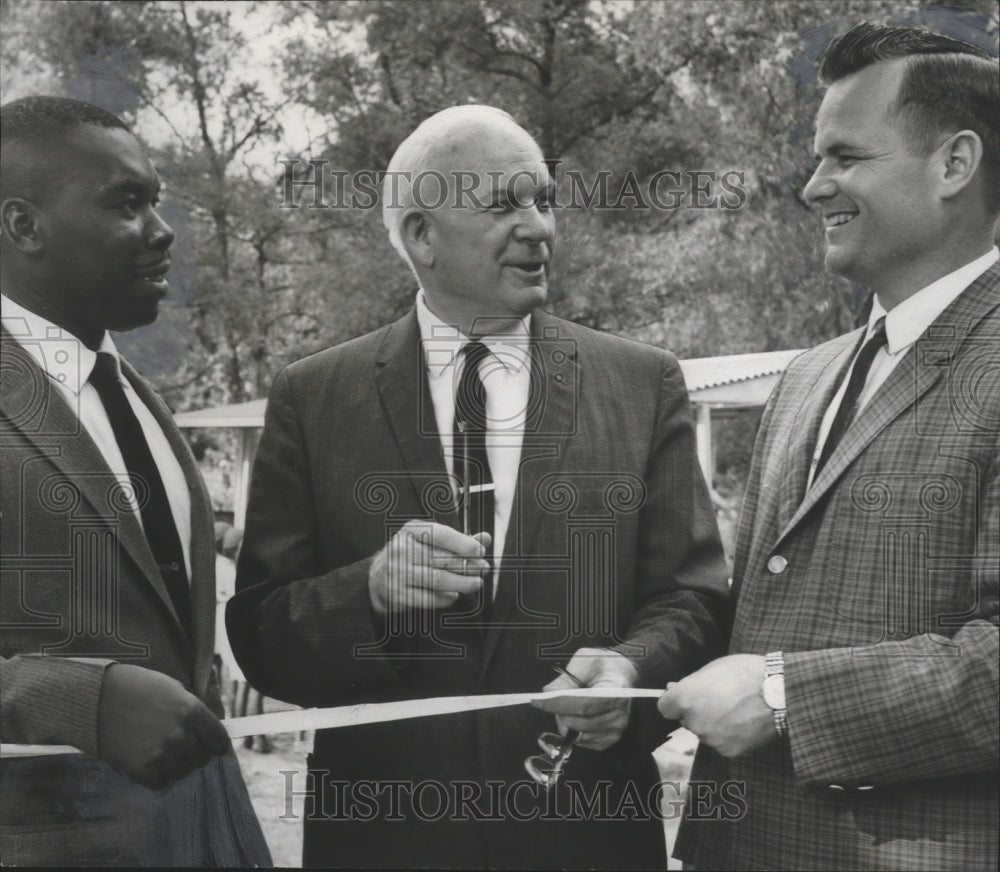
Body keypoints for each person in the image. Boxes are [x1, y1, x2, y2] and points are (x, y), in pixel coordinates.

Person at [228, 104, 730, 869]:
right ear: (420, 235)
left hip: (585, 833)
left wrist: (630, 672)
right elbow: (261, 633)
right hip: (383, 838)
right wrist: (370, 593)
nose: (539, 227)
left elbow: (693, 598)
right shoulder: (313, 396)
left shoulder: (641, 382)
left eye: (544, 199)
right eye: (504, 204)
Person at [660, 22, 999, 871]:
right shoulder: (808, 378)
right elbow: (761, 614)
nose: (814, 188)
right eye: (817, 160)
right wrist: (629, 682)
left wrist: (785, 699)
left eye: (846, 157)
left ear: (955, 164)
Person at [0, 96, 271, 867]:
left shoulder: (137, 399)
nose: (163, 230)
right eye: (126, 204)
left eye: (156, 200)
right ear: (24, 226)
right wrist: (79, 702)